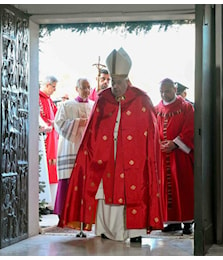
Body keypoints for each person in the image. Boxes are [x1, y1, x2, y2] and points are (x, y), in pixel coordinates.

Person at [58, 47, 164, 243]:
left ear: (127, 81)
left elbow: (151, 133)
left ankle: (134, 232)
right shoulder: (103, 98)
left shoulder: (142, 99)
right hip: (106, 155)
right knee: (104, 192)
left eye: (119, 82)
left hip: (134, 158)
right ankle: (105, 230)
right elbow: (92, 131)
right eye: (113, 82)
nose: (115, 86)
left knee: (134, 190)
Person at [155, 78, 195, 235]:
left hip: (180, 155)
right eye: (162, 92)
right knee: (165, 188)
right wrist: (159, 144)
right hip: (163, 154)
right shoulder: (156, 108)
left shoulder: (186, 107)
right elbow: (152, 129)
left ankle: (187, 222)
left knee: (183, 187)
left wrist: (176, 143)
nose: (164, 94)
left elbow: (190, 129)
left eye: (168, 91)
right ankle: (172, 222)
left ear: (175, 88)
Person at [53, 78, 94, 220]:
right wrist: (78, 123)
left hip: (88, 148)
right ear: (77, 89)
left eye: (89, 88)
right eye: (84, 88)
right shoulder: (66, 105)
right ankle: (64, 213)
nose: (87, 91)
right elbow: (58, 124)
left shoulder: (94, 105)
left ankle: (85, 215)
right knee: (68, 179)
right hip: (71, 146)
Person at [39, 75, 60, 212]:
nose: (54, 89)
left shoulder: (49, 100)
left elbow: (56, 115)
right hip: (44, 138)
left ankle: (50, 202)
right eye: (53, 86)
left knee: (52, 170)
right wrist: (47, 125)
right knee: (44, 169)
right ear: (47, 85)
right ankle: (42, 203)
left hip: (53, 138)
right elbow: (40, 117)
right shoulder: (38, 98)